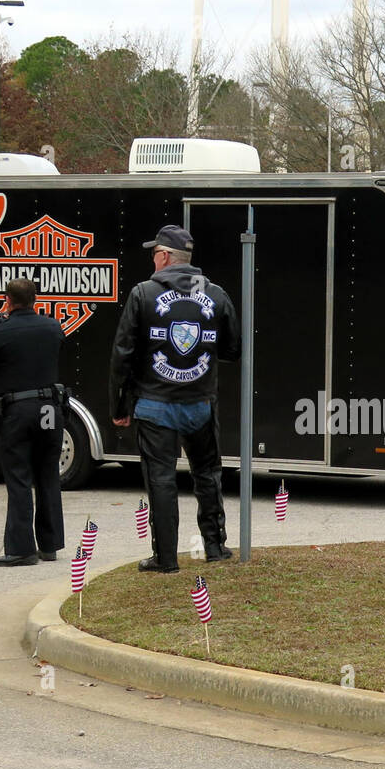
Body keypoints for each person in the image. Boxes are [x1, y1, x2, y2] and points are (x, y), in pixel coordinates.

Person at [109, 224, 240, 573]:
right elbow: (232, 349)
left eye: (154, 253)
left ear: (165, 256)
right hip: (200, 403)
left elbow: (122, 354)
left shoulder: (143, 293)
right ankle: (215, 548)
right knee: (208, 475)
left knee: (162, 481)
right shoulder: (215, 293)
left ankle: (165, 560)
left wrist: (119, 407)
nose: (152, 259)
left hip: (154, 405)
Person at [0, 277, 66, 567]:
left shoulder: (0, 330)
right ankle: (49, 546)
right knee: (48, 475)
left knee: (20, 478)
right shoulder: (53, 326)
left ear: (8, 300)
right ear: (35, 298)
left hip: (18, 411)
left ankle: (22, 549)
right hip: (50, 408)